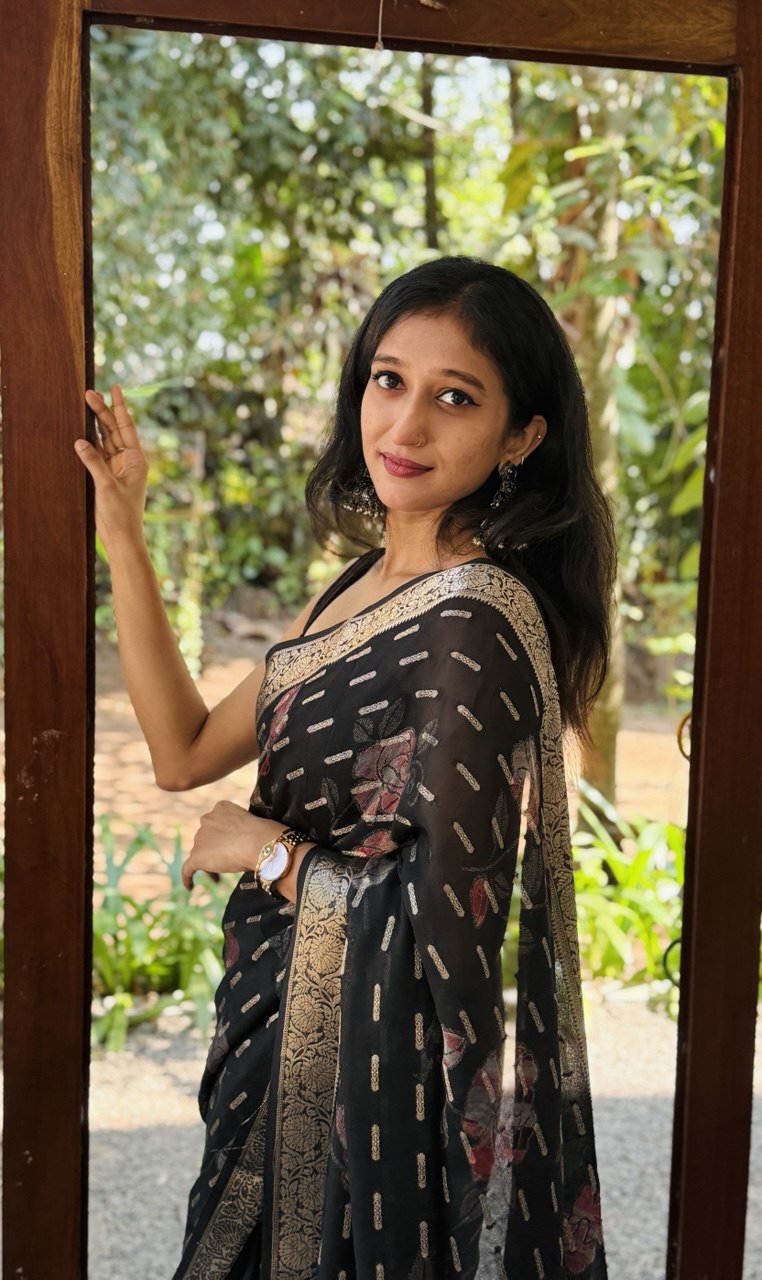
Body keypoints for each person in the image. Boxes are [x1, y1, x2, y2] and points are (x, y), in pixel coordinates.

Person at [76, 256, 615, 1280]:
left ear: (521, 436)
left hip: (373, 1096)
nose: (405, 426)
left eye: (455, 397)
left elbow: (451, 926)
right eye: (388, 379)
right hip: (277, 1041)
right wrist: (123, 527)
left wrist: (271, 852)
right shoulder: (357, 588)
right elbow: (183, 748)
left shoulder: (474, 624)